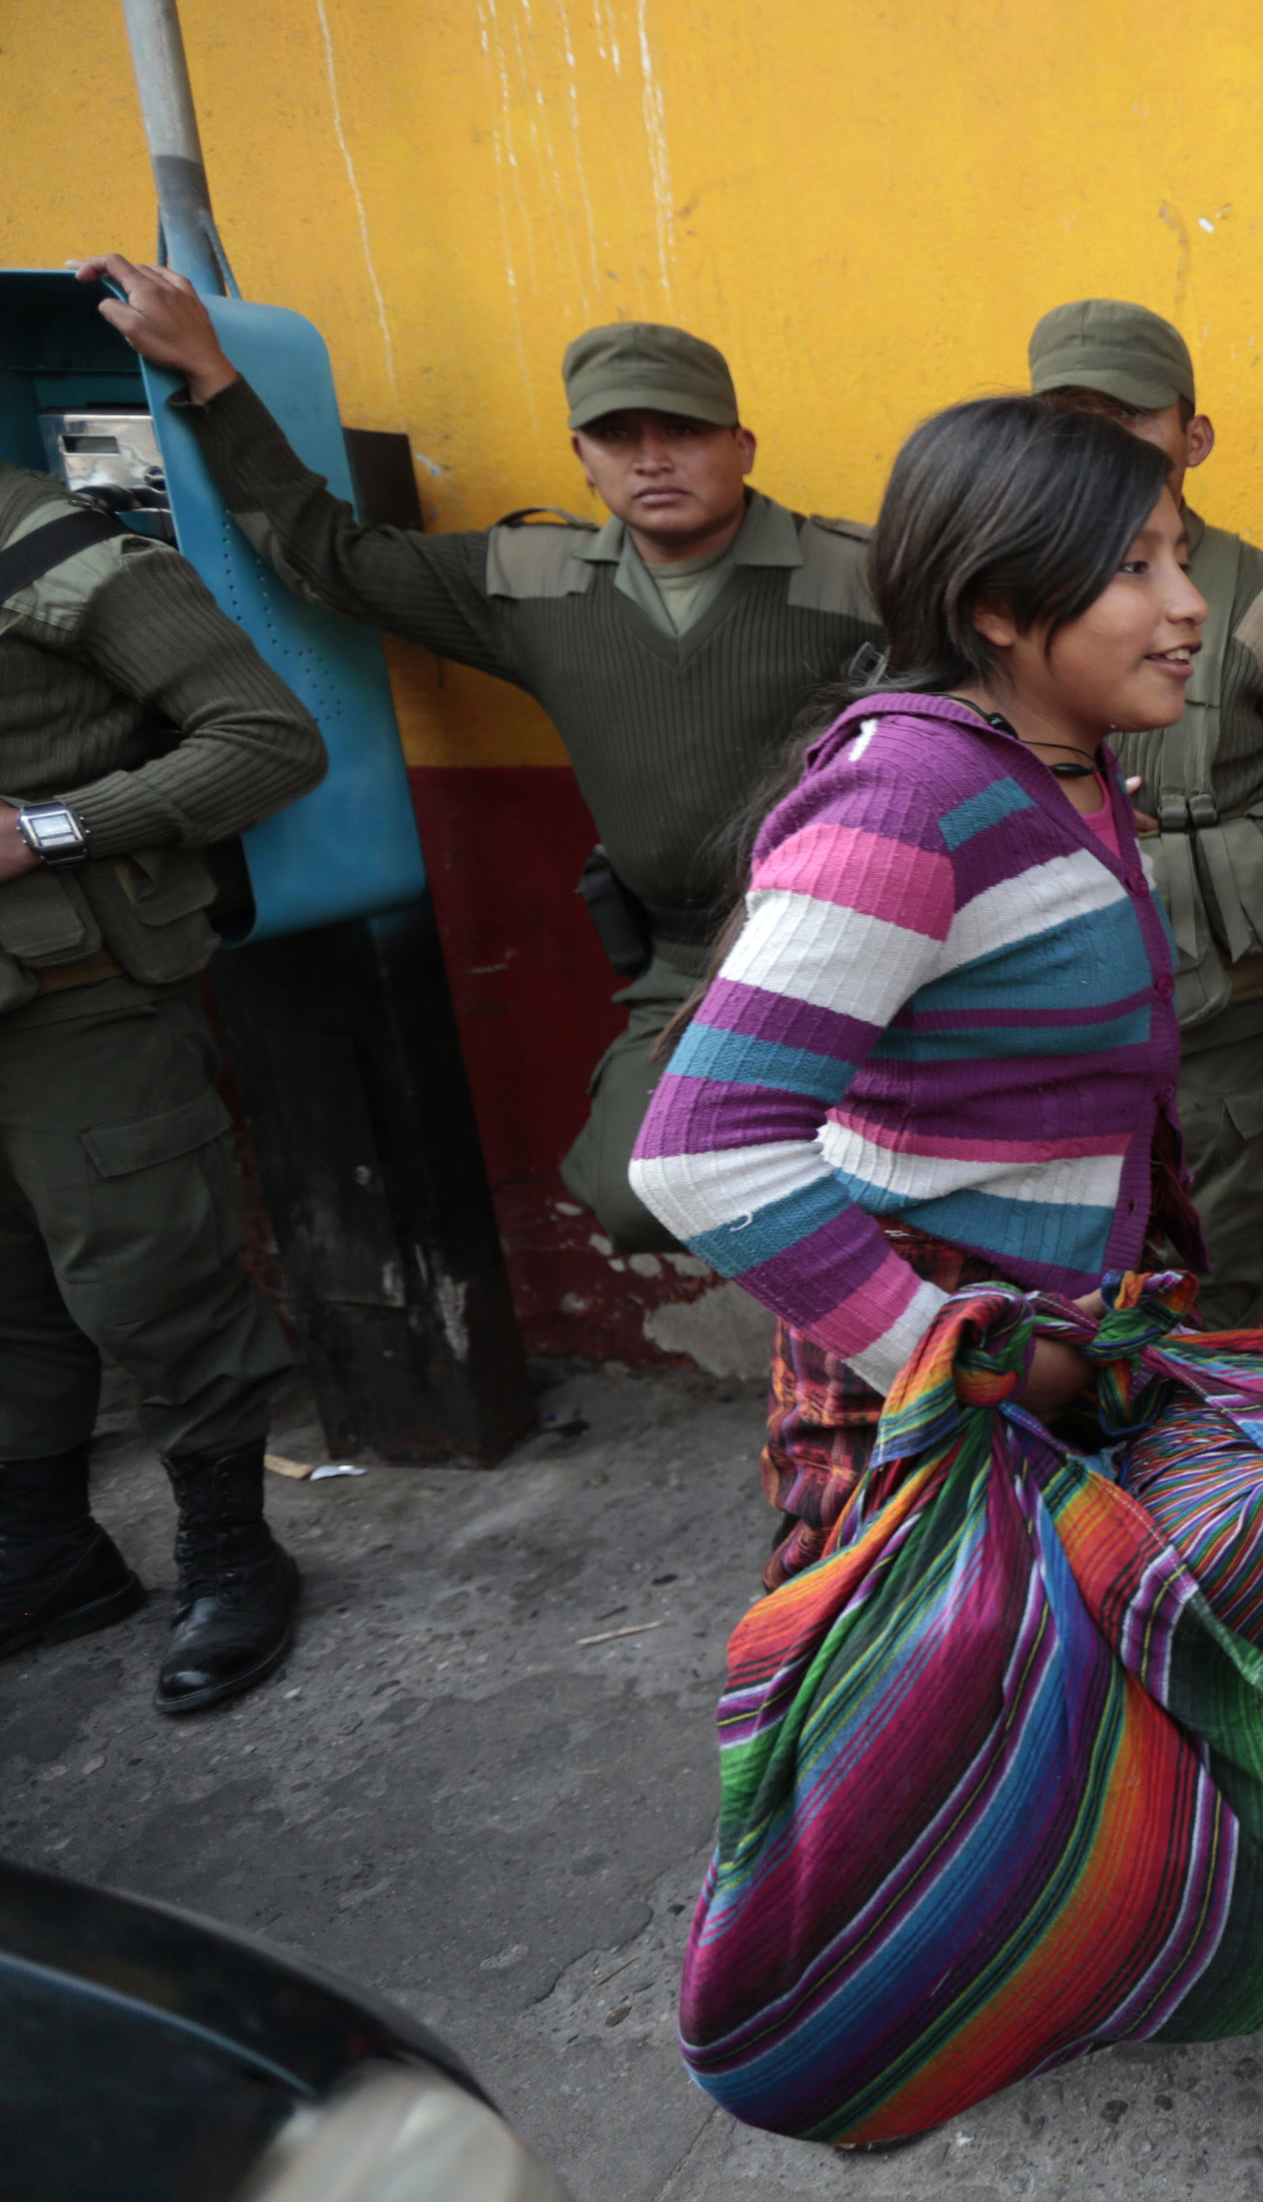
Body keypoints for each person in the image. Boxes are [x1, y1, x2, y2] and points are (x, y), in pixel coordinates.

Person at [626, 397, 1263, 2141]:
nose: (1185, 603)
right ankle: (912, 1989)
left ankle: (1240, 1926)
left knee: (1224, 1617)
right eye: (1134, 568)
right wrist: (956, 1359)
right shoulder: (919, 793)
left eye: (1181, 555)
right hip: (962, 1366)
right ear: (1001, 611)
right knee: (950, 1699)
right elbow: (702, 1143)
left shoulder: (1064, 763)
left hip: (1067, 1339)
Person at [75, 254, 884, 1255]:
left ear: (742, 444)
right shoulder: (531, 583)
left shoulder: (864, 575)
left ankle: (875, 1350)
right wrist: (213, 378)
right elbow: (326, 556)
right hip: (684, 966)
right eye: (617, 436)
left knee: (903, 1160)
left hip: (853, 946)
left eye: (683, 430)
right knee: (635, 1193)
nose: (652, 457)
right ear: (582, 457)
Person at [0, 459, 326, 1713]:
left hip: (77, 999)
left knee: (150, 1282)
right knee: (9, 1303)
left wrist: (44, 829)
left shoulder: (60, 556)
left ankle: (234, 1557)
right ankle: (49, 1555)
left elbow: (267, 740)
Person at [1027, 299, 1263, 1328]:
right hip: (1042, 1017)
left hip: (1220, 1020)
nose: (1098, 445)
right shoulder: (996, 591)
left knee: (1215, 1276)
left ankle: (1193, 1476)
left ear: (1193, 437)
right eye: (1070, 417)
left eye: (1129, 418)